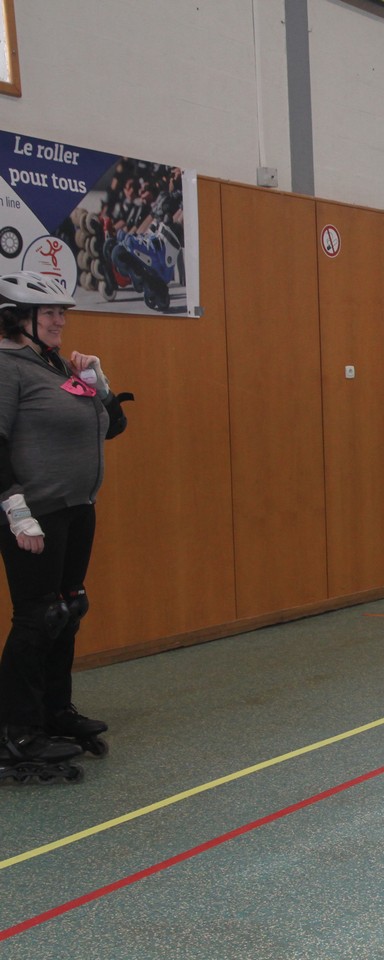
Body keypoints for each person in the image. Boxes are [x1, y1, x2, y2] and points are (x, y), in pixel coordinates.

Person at [0, 271, 130, 782]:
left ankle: (55, 711)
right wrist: (16, 510)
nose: (60, 321)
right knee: (38, 617)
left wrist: (101, 385)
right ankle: (16, 729)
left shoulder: (53, 365)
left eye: (62, 313)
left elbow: (113, 426)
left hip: (77, 506)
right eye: (49, 313)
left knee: (68, 609)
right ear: (19, 317)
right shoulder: (7, 368)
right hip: (35, 513)